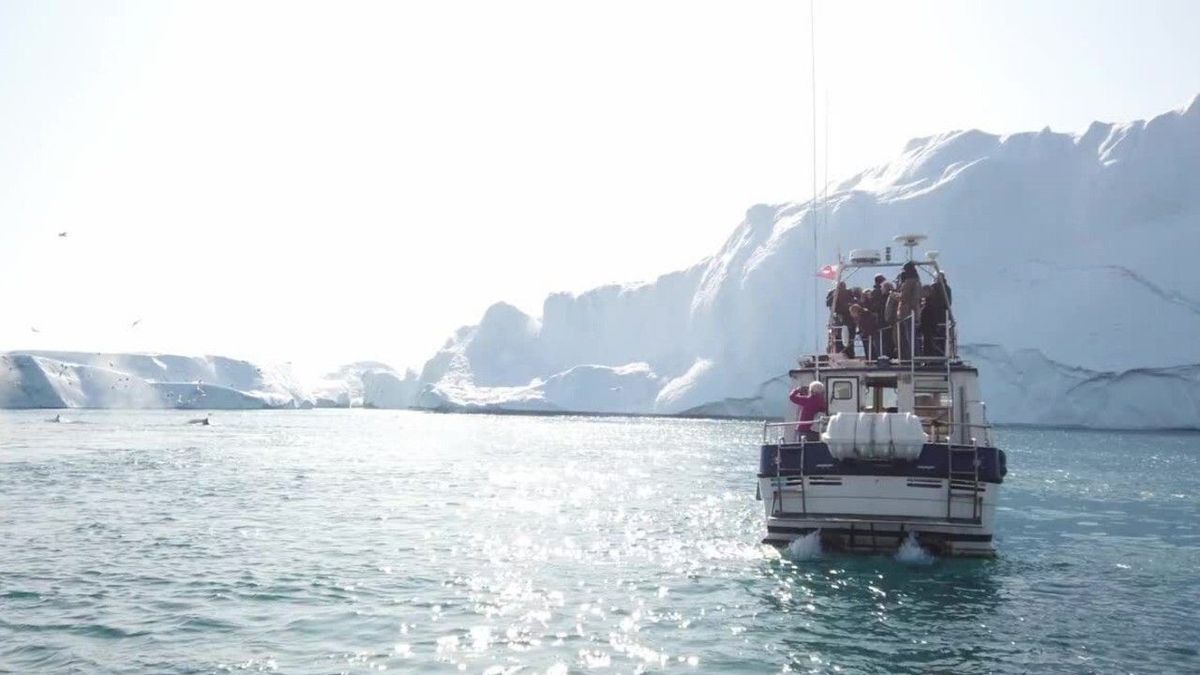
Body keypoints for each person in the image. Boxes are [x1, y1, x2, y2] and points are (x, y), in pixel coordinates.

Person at [921, 272, 953, 356]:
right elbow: (948, 303)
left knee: (932, 338)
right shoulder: (948, 288)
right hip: (943, 317)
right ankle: (942, 356)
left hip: (933, 316)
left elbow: (931, 301)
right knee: (942, 338)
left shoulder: (934, 288)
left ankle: (932, 356)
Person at [895, 262, 922, 359]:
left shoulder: (909, 282)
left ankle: (913, 357)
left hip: (907, 313)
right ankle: (917, 356)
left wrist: (894, 295)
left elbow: (904, 297)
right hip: (915, 312)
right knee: (913, 336)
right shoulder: (917, 281)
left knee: (909, 336)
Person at [881, 281, 897, 358]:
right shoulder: (888, 296)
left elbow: (892, 309)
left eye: (882, 288)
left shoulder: (892, 296)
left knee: (893, 341)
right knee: (890, 341)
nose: (881, 289)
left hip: (892, 322)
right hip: (890, 322)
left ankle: (894, 356)